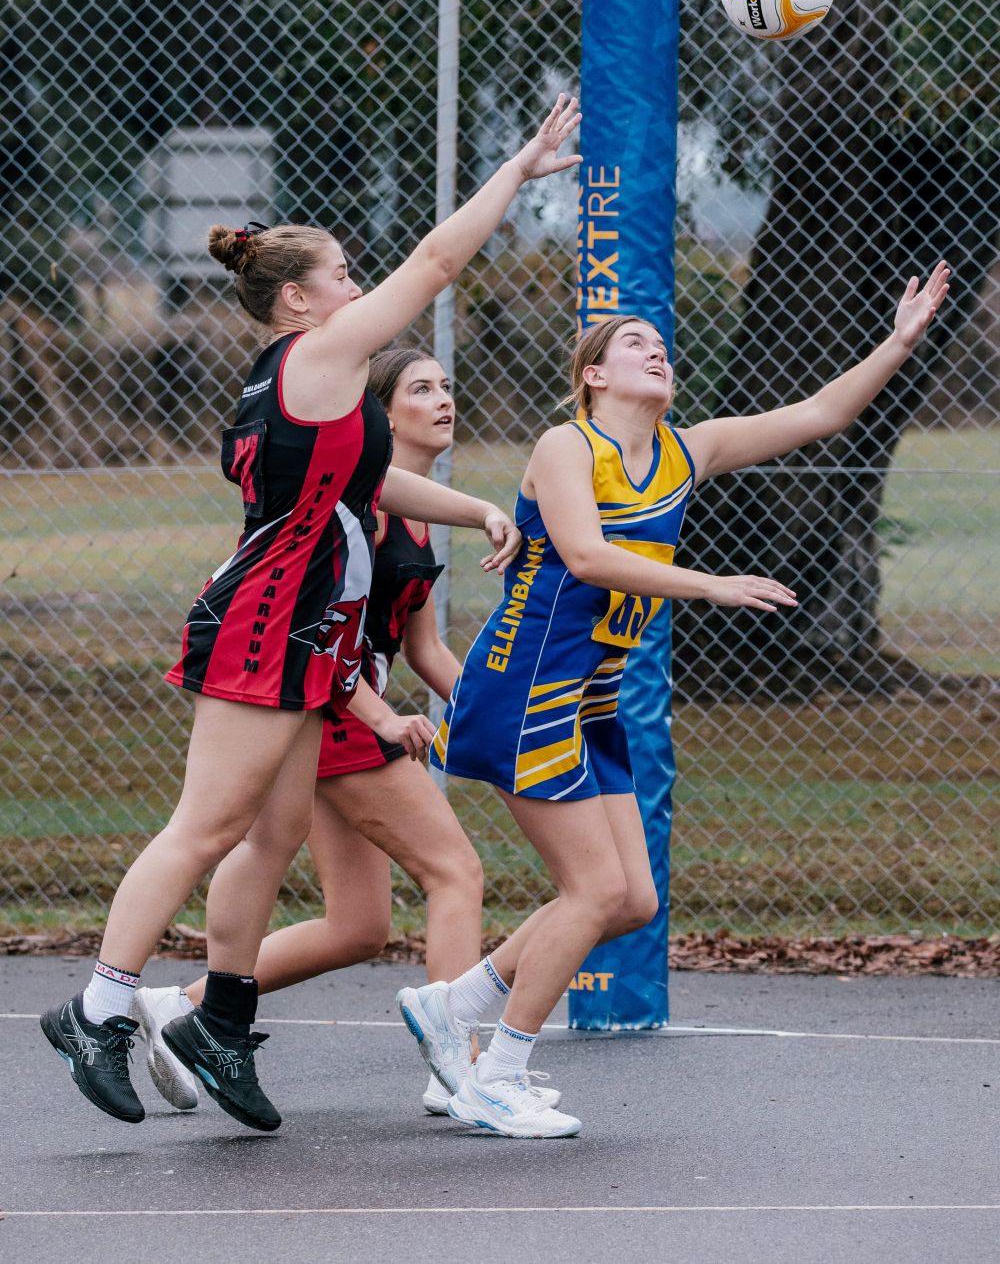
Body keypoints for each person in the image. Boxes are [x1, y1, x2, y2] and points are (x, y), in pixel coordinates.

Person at [40, 94, 583, 1131]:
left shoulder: (289, 377)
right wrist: (516, 172)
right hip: (264, 623)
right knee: (205, 829)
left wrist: (472, 508)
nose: (356, 285)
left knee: (274, 835)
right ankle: (98, 1010)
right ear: (296, 298)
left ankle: (219, 1021)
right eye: (341, 273)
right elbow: (437, 261)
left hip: (302, 633)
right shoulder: (321, 356)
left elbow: (361, 487)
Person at [397, 263, 951, 1138]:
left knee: (631, 901)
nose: (656, 351)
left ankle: (454, 1003)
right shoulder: (567, 446)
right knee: (591, 891)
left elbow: (822, 414)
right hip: (527, 686)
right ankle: (495, 1074)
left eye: (661, 343)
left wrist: (899, 341)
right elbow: (586, 555)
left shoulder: (687, 451)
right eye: (634, 344)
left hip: (590, 698)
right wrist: (711, 585)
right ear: (594, 373)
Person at [131, 347, 558, 1118]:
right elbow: (316, 627)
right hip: (330, 707)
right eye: (422, 388)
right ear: (380, 417)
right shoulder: (354, 507)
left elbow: (424, 648)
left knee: (358, 926)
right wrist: (380, 715)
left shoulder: (420, 519)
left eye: (447, 385)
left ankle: (182, 1007)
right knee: (454, 871)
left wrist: (507, 711)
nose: (444, 399)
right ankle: (460, 1067)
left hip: (346, 706)